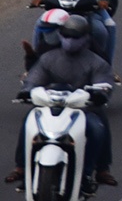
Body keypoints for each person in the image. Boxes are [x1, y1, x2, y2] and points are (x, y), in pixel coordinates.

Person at [6, 14, 113, 190]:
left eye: (76, 37)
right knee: (28, 123)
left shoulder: (96, 61)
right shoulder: (48, 58)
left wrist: (100, 94)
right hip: (51, 106)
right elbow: (34, 79)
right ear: (60, 35)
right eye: (67, 36)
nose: (71, 41)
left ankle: (96, 171)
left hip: (83, 108)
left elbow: (104, 83)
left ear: (86, 38)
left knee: (97, 128)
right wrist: (27, 91)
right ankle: (22, 167)